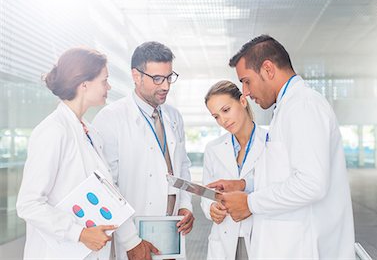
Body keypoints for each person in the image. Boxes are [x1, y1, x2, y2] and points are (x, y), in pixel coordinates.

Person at [212, 35, 355, 259]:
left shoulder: (303, 106)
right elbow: (283, 174)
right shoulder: (286, 109)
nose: (246, 92)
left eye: (247, 81)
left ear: (268, 69)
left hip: (306, 248)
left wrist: (250, 202)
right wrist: (242, 184)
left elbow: (311, 184)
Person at [92, 41, 194, 260]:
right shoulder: (111, 119)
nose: (166, 86)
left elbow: (182, 166)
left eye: (169, 77)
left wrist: (186, 206)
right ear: (136, 76)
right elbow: (108, 188)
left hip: (172, 228)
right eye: (157, 79)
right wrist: (130, 241)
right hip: (136, 232)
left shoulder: (173, 116)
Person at [16, 48, 116, 259]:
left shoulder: (89, 131)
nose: (109, 86)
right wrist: (79, 233)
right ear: (84, 84)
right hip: (56, 252)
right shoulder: (53, 130)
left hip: (86, 250)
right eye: (104, 80)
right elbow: (29, 204)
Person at [201, 81, 266, 260]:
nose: (223, 121)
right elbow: (207, 194)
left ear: (243, 101)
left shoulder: (270, 143)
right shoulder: (213, 149)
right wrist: (212, 208)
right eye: (216, 116)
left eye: (226, 110)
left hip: (259, 235)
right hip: (224, 237)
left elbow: (278, 189)